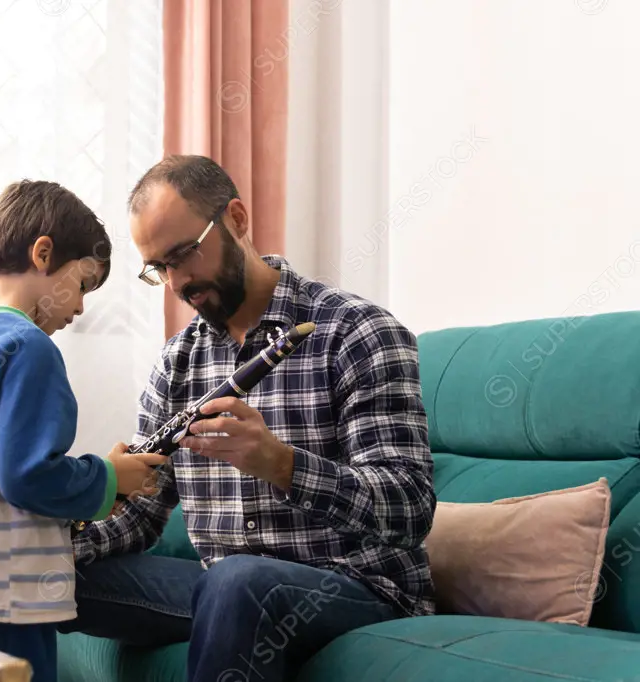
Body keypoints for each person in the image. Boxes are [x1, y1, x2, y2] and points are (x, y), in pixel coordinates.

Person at [60, 156, 436, 681]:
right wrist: (51, 536)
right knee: (43, 572)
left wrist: (280, 463)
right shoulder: (178, 361)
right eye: (159, 268)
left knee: (238, 582)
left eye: (184, 254)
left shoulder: (358, 333)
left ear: (236, 219)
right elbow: (143, 514)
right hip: (224, 590)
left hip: (354, 587)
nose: (177, 282)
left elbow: (410, 508)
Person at [0, 179, 168, 682]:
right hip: (1, 597)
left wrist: (102, 485)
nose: (79, 308)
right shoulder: (29, 347)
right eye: (82, 285)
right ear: (44, 254)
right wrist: (110, 477)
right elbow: (28, 476)